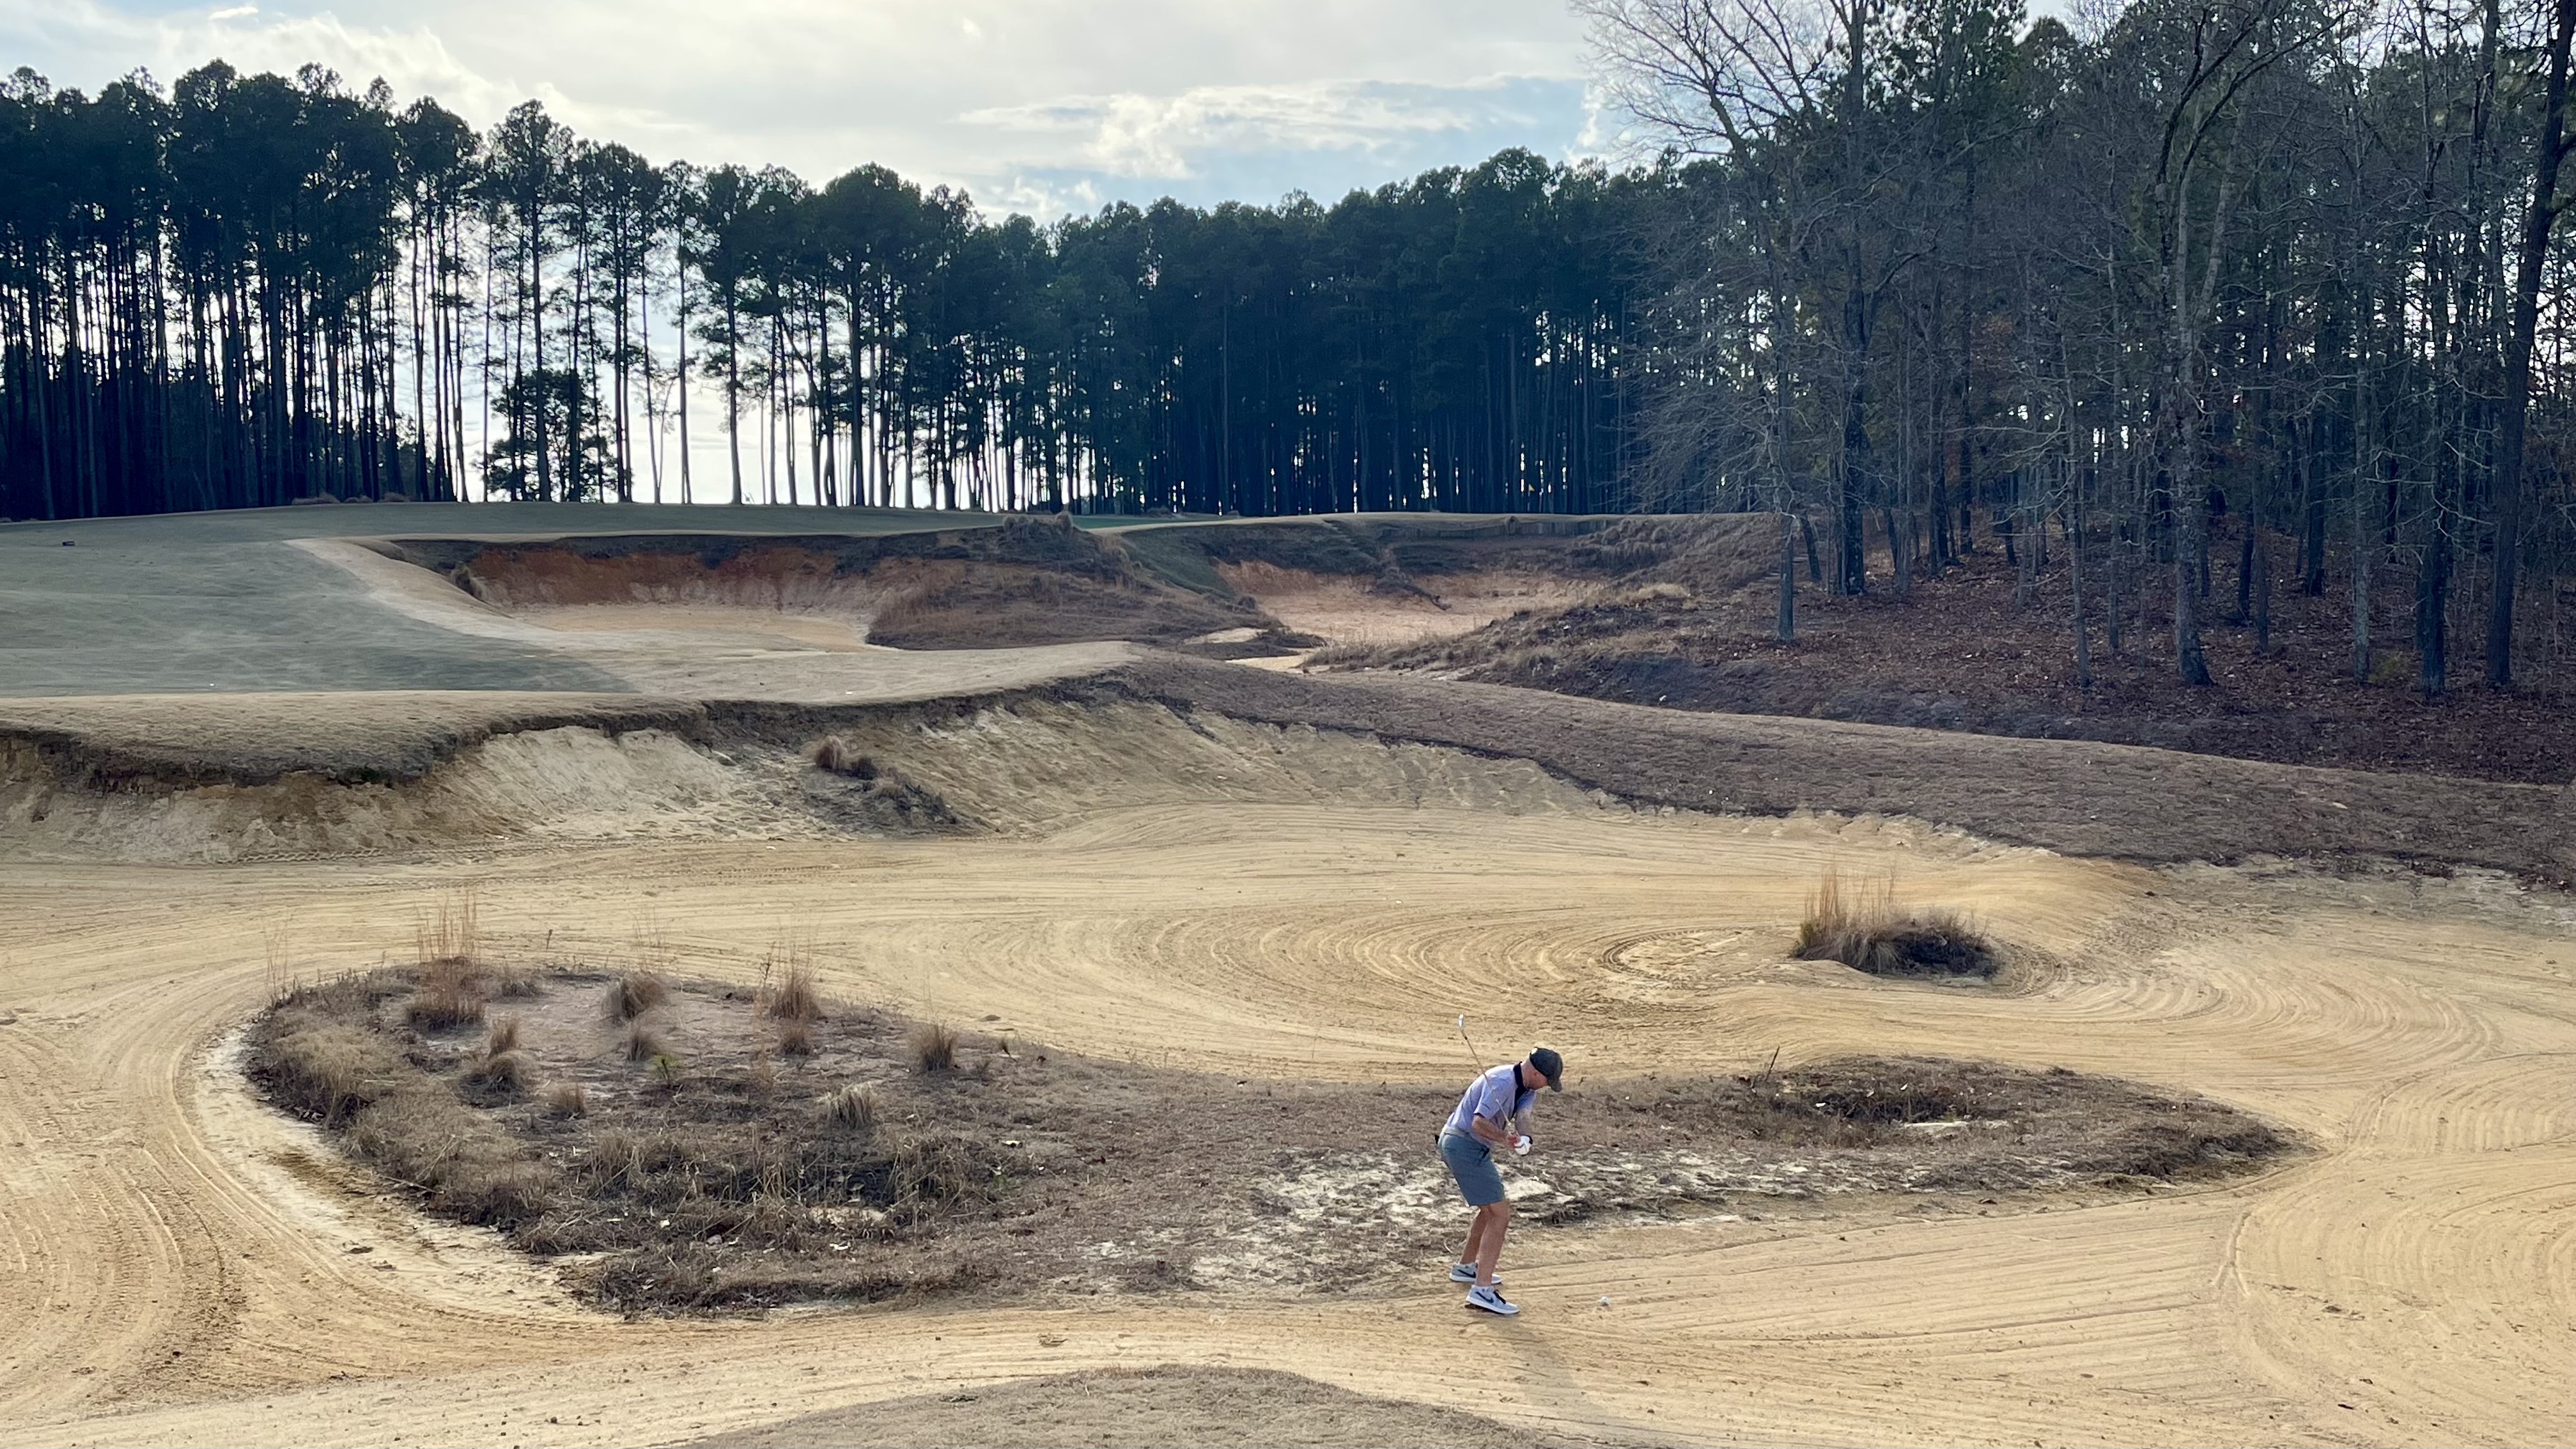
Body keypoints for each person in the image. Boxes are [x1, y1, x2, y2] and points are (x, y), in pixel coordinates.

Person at [1436, 1045, 1563, 1315]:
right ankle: (1482, 1291)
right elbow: (1478, 1123)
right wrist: (1506, 1139)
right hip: (1462, 1144)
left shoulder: (1528, 1088)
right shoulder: (1502, 1082)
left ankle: (1466, 1268)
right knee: (1500, 1216)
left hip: (1468, 1146)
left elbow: (1524, 1117)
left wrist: (1526, 1138)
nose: (1546, 1086)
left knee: (1490, 1210)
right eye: (1547, 1080)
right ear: (1536, 1072)